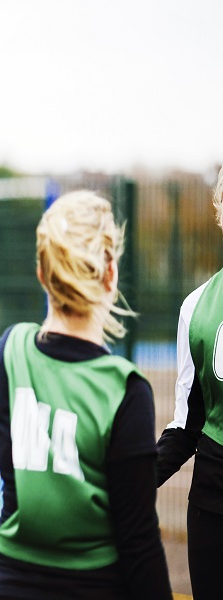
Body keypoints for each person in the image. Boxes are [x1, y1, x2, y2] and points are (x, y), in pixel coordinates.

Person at [0, 190, 172, 600]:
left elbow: (11, 479)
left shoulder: (11, 351)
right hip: (96, 586)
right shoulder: (123, 388)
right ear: (110, 275)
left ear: (41, 272)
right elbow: (138, 540)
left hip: (13, 582)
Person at [156, 166, 223, 600]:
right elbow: (186, 425)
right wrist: (124, 484)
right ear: (219, 209)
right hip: (213, 510)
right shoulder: (198, 307)